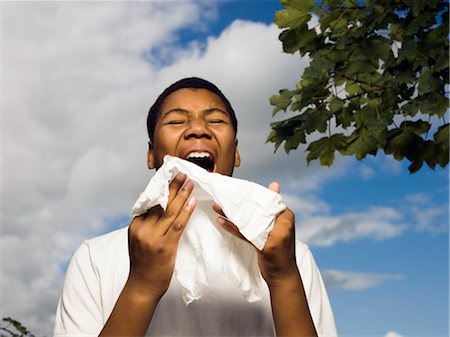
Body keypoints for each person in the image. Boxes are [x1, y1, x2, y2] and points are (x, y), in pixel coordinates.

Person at [53, 77, 337, 337]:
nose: (198, 130)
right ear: (151, 154)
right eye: (176, 122)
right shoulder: (97, 258)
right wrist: (142, 284)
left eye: (215, 121)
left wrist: (283, 277)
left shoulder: (292, 256)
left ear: (236, 152)